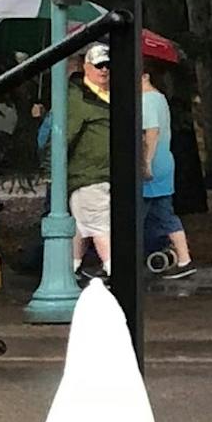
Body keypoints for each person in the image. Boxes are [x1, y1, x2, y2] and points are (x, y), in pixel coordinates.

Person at [63, 44, 115, 280]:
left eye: (107, 65)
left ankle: (71, 269)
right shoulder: (79, 98)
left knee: (82, 226)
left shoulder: (108, 96)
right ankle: (115, 270)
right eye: (98, 65)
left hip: (104, 174)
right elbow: (65, 135)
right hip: (88, 174)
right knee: (98, 224)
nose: (104, 70)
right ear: (86, 67)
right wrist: (51, 167)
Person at [139, 68, 195, 280]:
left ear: (146, 76)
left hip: (152, 164)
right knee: (165, 214)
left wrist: (145, 162)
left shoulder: (146, 101)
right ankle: (184, 259)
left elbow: (151, 133)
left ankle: (118, 263)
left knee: (133, 215)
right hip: (165, 162)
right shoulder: (160, 99)